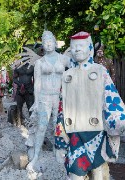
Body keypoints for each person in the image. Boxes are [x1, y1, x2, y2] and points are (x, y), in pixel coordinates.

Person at [55, 31, 125, 179]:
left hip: (97, 133)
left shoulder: (100, 71)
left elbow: (110, 99)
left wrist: (117, 121)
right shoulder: (67, 76)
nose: (77, 49)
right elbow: (62, 109)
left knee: (99, 174)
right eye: (74, 46)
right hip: (75, 134)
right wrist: (60, 141)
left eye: (81, 46)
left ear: (90, 48)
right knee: (75, 174)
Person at [26, 31, 70, 172]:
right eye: (45, 42)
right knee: (42, 127)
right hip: (44, 97)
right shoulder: (39, 62)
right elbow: (37, 84)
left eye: (51, 41)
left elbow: (75, 71)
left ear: (55, 43)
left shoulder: (63, 59)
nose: (48, 44)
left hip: (59, 97)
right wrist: (36, 102)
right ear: (43, 45)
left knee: (59, 126)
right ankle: (36, 154)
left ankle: (58, 151)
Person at [13, 61, 34, 126]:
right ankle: (19, 122)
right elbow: (14, 78)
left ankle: (32, 122)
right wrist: (20, 84)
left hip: (29, 89)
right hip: (20, 90)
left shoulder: (32, 67)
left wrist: (33, 88)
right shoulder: (18, 68)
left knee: (30, 107)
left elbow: (36, 78)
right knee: (19, 106)